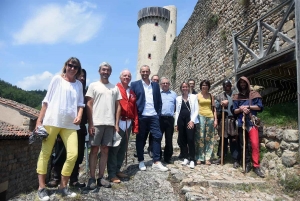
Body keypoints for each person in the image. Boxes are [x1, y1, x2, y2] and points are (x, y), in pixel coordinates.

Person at [35, 57, 84, 200]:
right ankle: (41, 188)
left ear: (78, 69)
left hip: (70, 124)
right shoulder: (57, 79)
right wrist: (39, 121)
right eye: (70, 65)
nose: (72, 68)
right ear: (65, 66)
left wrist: (79, 116)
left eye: (75, 67)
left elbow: (81, 104)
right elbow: (46, 100)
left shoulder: (79, 85)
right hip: (52, 121)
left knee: (73, 154)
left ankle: (63, 187)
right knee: (46, 153)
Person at [47, 69, 88, 188]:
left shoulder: (85, 92)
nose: (82, 78)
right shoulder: (68, 89)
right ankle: (56, 178)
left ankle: (74, 180)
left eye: (83, 76)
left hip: (80, 128)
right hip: (63, 126)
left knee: (77, 155)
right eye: (80, 75)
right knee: (60, 153)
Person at [86, 62, 122, 189]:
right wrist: (90, 123)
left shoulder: (114, 88)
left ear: (110, 72)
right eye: (103, 70)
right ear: (99, 71)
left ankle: (101, 177)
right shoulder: (93, 86)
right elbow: (89, 104)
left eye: (108, 70)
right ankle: (91, 178)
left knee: (105, 150)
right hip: (96, 123)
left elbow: (118, 107)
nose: (105, 72)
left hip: (110, 123)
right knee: (94, 150)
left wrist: (116, 123)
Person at [131, 65, 168, 171]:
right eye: (143, 71)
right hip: (141, 115)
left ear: (149, 72)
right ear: (140, 72)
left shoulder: (155, 85)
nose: (145, 73)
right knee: (141, 138)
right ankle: (141, 161)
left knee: (157, 136)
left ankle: (156, 161)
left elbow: (159, 101)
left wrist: (158, 113)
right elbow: (132, 101)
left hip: (153, 115)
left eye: (147, 71)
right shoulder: (135, 84)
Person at [107, 70, 139, 183]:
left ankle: (117, 170)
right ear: (120, 77)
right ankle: (111, 174)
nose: (127, 77)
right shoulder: (115, 89)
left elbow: (134, 107)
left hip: (128, 122)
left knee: (123, 148)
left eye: (129, 76)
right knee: (115, 148)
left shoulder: (131, 91)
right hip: (118, 121)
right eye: (125, 75)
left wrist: (135, 125)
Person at [233, 76, 265, 178]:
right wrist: (241, 109)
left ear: (247, 83)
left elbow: (259, 107)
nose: (242, 84)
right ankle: (246, 163)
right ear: (239, 84)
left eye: (244, 82)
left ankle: (256, 165)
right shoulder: (237, 96)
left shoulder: (254, 94)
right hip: (241, 123)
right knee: (243, 145)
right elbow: (234, 110)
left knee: (255, 144)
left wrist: (248, 107)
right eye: (241, 83)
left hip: (252, 122)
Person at [212, 79, 240, 168]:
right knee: (223, 140)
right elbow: (216, 108)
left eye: (227, 85)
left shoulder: (235, 95)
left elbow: (238, 104)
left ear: (230, 86)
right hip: (223, 121)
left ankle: (236, 159)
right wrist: (220, 105)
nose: (226, 87)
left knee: (234, 140)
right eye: (224, 86)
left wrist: (229, 101)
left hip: (232, 121)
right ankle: (221, 157)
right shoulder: (219, 96)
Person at [174, 82, 199, 168]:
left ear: (188, 88)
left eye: (186, 87)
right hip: (181, 120)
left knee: (190, 139)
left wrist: (192, 121)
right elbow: (177, 111)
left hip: (190, 120)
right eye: (183, 87)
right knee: (182, 139)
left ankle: (192, 159)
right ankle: (186, 157)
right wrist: (176, 123)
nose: (185, 88)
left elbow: (196, 110)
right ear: (181, 88)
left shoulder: (193, 97)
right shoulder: (178, 98)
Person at [195, 79, 218, 165]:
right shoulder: (197, 96)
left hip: (210, 116)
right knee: (200, 137)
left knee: (209, 137)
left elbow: (214, 108)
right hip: (200, 116)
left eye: (206, 85)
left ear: (208, 87)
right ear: (201, 86)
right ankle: (199, 157)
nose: (204, 86)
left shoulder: (211, 95)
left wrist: (215, 119)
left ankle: (207, 157)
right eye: (203, 85)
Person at [159, 77, 177, 164]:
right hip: (160, 119)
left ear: (169, 84)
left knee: (169, 139)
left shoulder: (174, 94)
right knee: (158, 138)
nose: (165, 84)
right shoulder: (158, 93)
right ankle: (158, 156)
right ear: (161, 84)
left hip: (170, 119)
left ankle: (167, 157)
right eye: (163, 83)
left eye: (167, 83)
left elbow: (176, 107)